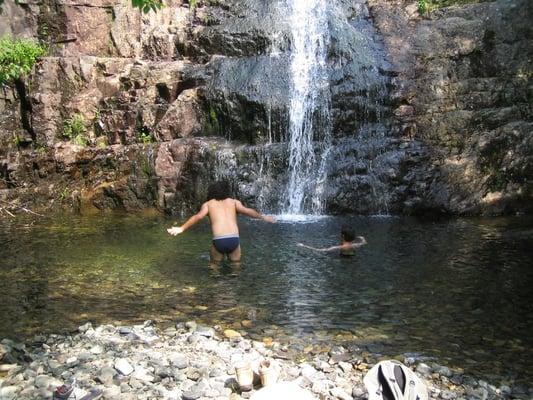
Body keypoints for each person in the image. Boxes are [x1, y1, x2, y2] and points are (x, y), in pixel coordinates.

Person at [167, 180, 276, 262]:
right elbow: (247, 211)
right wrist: (263, 217)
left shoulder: (208, 204)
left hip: (219, 240)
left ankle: (218, 287)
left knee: (215, 266)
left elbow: (198, 217)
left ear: (211, 192)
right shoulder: (234, 202)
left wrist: (182, 228)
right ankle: (232, 286)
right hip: (234, 239)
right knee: (235, 267)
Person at [298, 226, 367, 256]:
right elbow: (364, 243)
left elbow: (320, 250)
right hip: (352, 258)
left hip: (342, 259)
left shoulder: (339, 247)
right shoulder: (356, 245)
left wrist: (304, 246)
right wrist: (362, 238)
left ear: (342, 236)